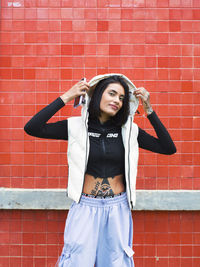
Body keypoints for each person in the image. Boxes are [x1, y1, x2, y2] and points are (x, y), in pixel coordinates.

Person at [24, 73, 176, 267]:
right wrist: (67, 96)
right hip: (85, 207)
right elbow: (32, 127)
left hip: (117, 208)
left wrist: (149, 108)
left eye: (121, 98)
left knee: (116, 262)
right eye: (112, 94)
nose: (117, 101)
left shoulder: (128, 130)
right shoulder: (75, 127)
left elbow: (168, 148)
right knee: (76, 261)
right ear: (97, 95)